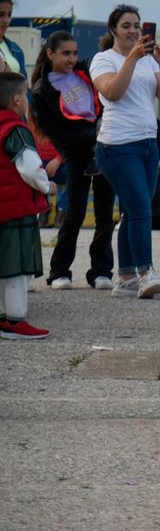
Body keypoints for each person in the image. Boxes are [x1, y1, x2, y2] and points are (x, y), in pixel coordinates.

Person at [89, 3, 160, 299]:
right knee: (141, 207)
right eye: (126, 25)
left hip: (147, 144)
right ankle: (145, 270)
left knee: (132, 211)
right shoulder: (104, 59)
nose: (133, 31)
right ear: (113, 29)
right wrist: (132, 58)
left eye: (137, 26)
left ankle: (125, 277)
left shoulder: (150, 61)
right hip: (117, 146)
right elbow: (112, 91)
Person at [29, 31, 115, 290]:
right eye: (66, 53)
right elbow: (55, 132)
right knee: (74, 214)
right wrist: (89, 141)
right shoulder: (43, 90)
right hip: (78, 154)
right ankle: (59, 271)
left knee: (105, 214)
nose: (71, 58)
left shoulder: (86, 72)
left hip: (104, 147)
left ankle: (101, 271)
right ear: (50, 53)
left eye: (74, 53)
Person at [0, 72, 52, 338]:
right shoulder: (17, 131)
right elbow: (31, 168)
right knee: (16, 269)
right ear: (17, 99)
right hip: (16, 211)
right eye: (27, 94)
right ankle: (15, 320)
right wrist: (46, 186)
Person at [0, 0, 24, 75]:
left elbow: (24, 84)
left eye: (9, 15)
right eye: (1, 15)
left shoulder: (16, 49)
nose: (6, 20)